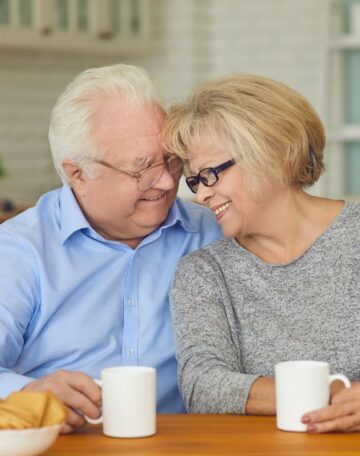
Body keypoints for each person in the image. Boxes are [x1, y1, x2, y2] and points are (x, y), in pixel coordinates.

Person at [0, 64, 221, 432]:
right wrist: (30, 391)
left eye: (170, 160)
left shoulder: (212, 233)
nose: (166, 181)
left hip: (184, 451)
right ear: (77, 174)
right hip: (64, 454)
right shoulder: (21, 251)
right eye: (141, 168)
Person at [163, 73, 360, 433]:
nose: (201, 195)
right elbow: (201, 386)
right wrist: (323, 393)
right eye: (194, 180)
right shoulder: (205, 273)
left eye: (210, 174)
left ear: (272, 153)